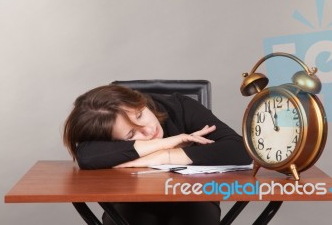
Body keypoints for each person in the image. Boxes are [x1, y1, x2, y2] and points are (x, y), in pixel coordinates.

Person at [63, 84, 252, 225]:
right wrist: (163, 143)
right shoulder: (104, 133)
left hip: (193, 198)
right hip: (132, 201)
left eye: (140, 115)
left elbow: (241, 150)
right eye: (131, 134)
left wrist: (165, 156)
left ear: (140, 102)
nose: (148, 130)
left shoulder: (181, 106)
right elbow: (86, 156)